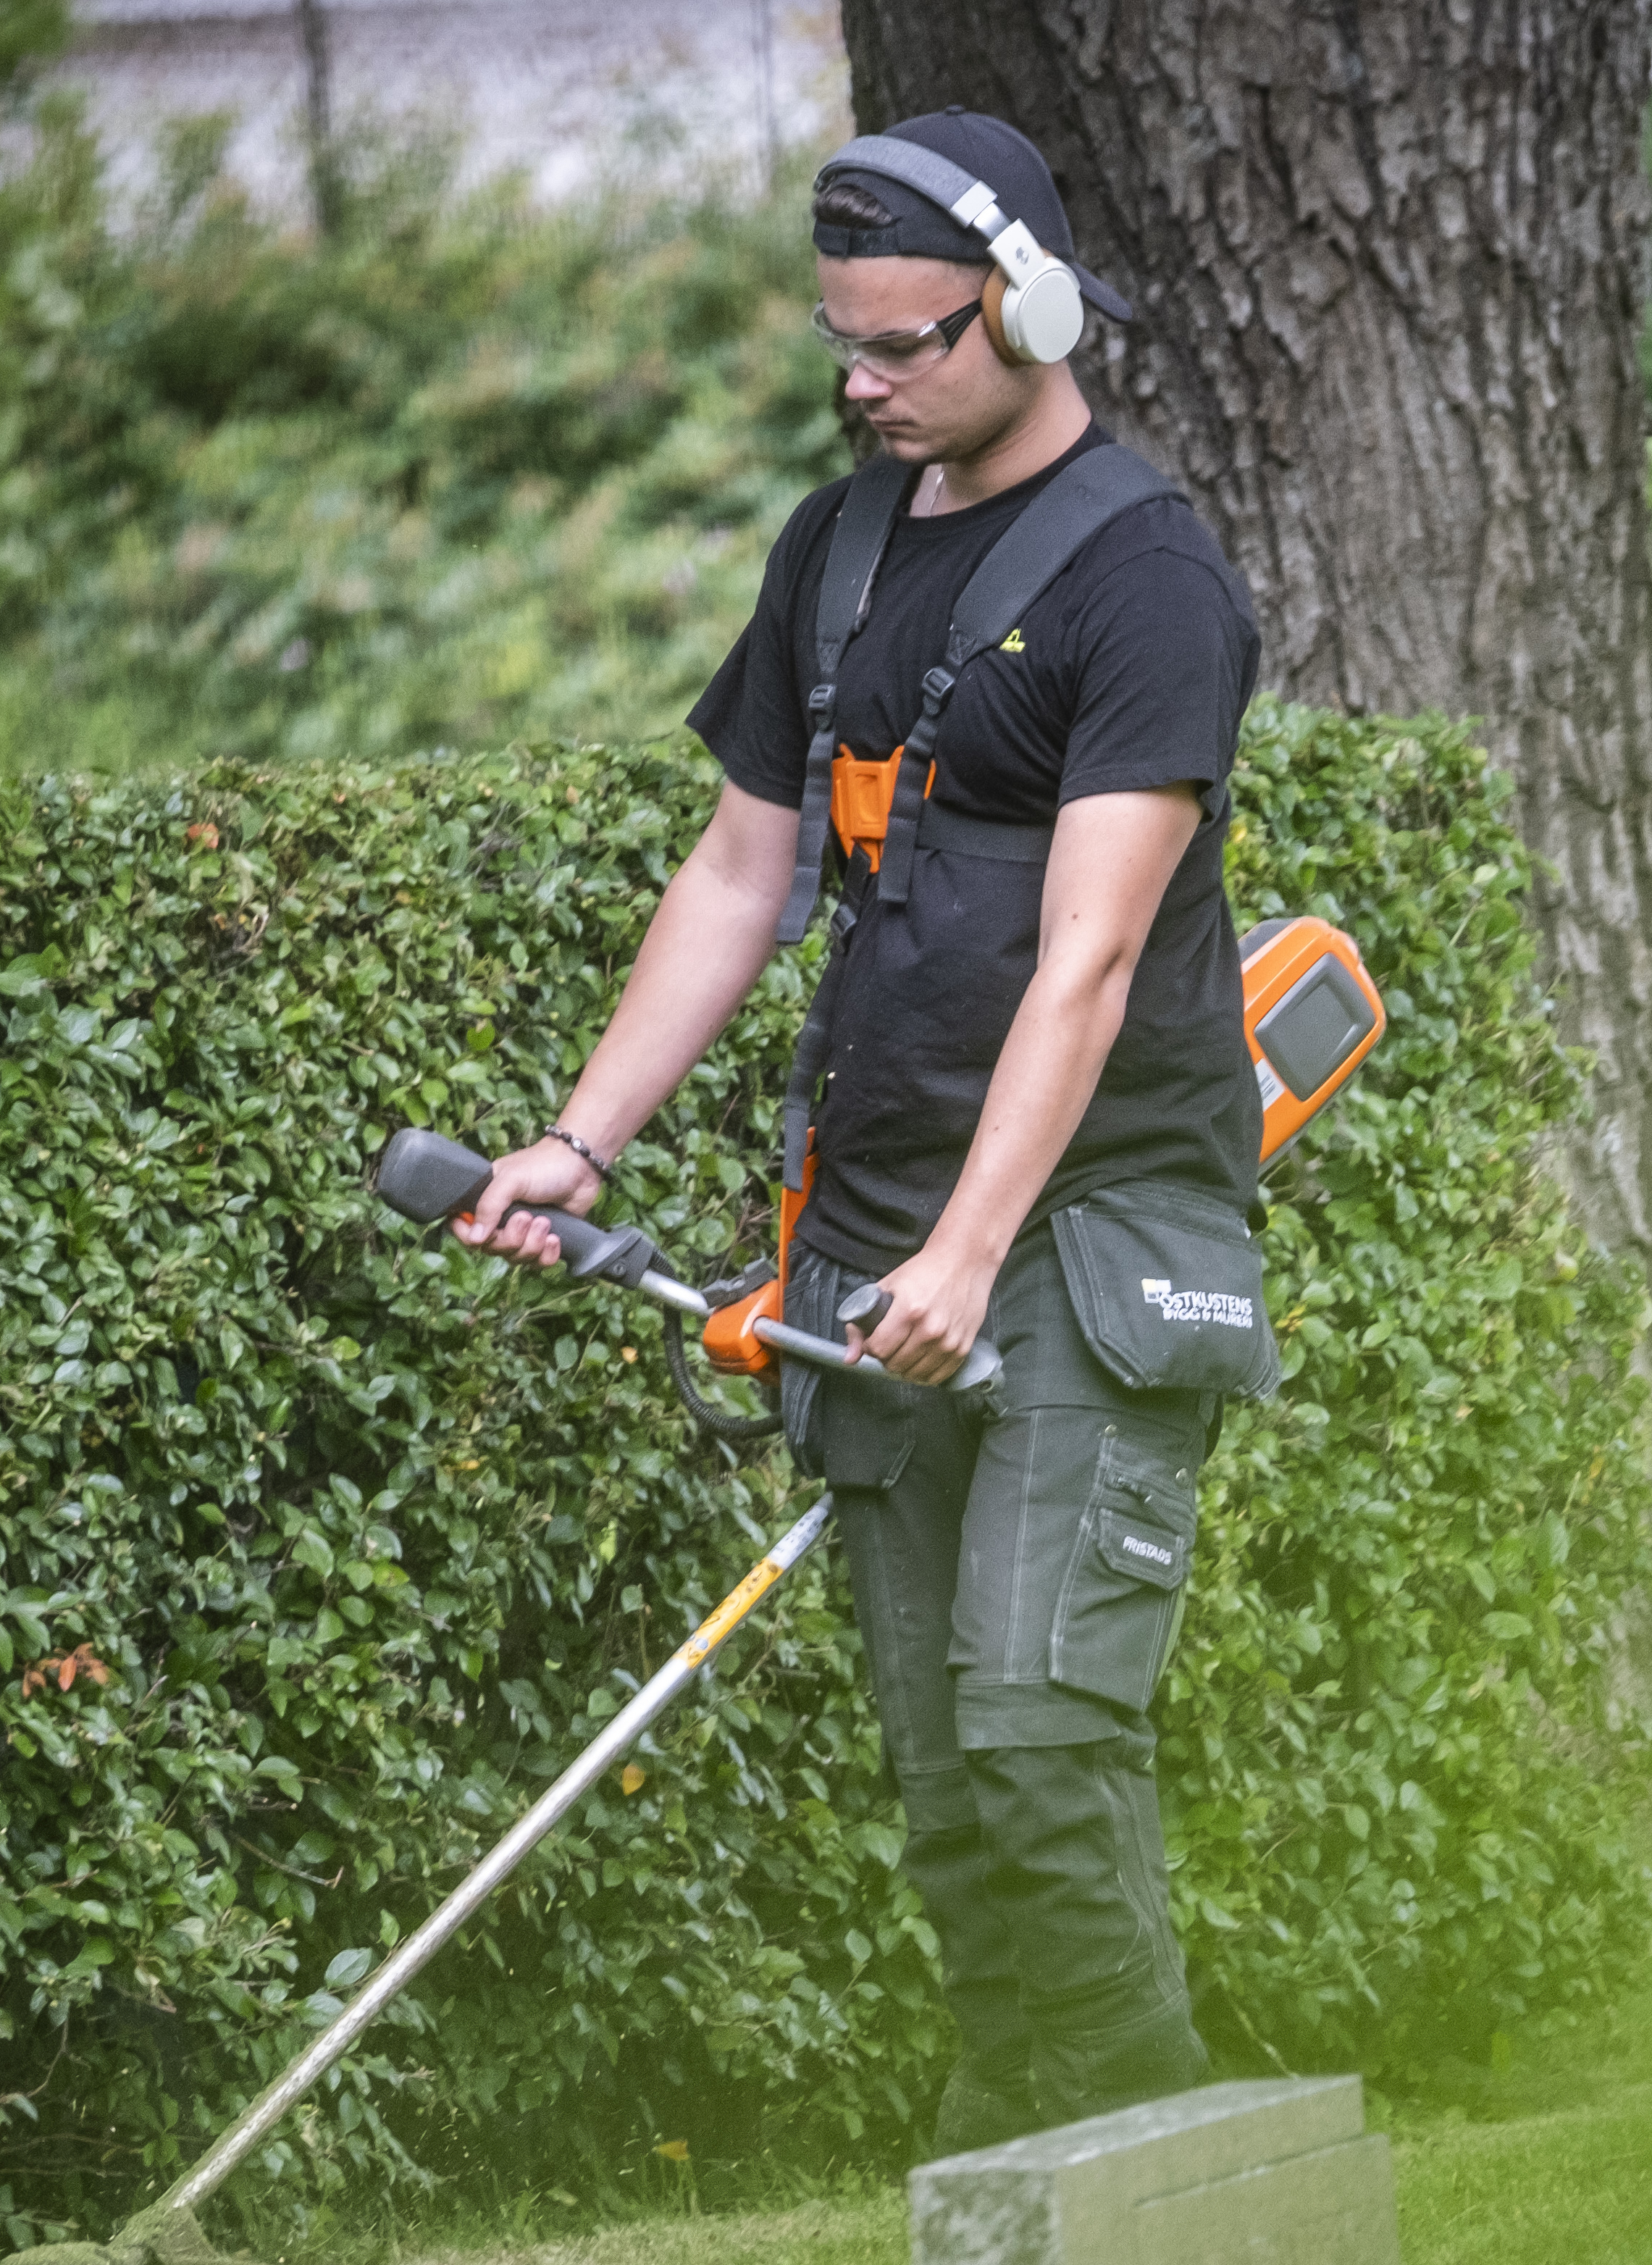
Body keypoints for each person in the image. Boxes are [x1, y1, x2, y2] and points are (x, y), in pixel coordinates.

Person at [456, 110, 1268, 2161]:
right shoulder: (836, 548)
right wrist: (583, 1143)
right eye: (843, 342)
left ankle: (1178, 2197)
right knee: (943, 1772)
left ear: (1032, 311)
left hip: (1079, 1242)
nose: (862, 381)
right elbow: (746, 872)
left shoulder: (1150, 579)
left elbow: (1087, 965)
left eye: (903, 343)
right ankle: (1021, 2201)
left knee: (1038, 1734)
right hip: (880, 1241)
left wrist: (973, 1258)